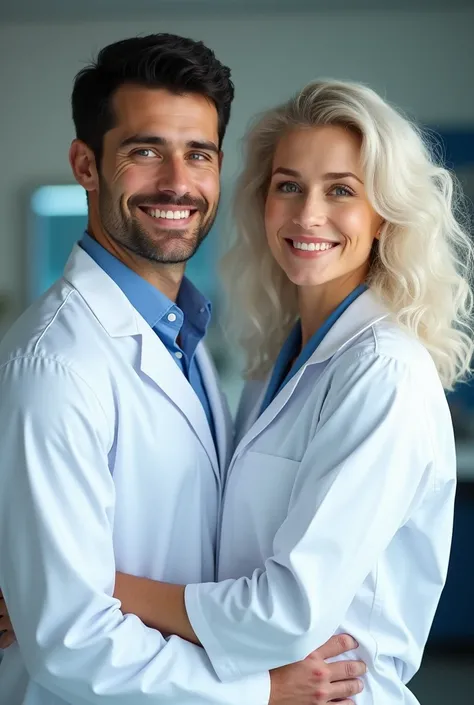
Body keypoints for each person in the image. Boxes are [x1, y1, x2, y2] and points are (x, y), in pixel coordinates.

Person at [0, 36, 364, 705]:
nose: (177, 181)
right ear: (86, 164)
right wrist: (261, 689)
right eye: (145, 151)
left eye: (197, 154)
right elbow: (68, 637)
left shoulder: (185, 336)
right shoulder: (57, 361)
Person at [101, 80, 473, 703]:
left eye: (342, 191)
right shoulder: (278, 358)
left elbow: (285, 614)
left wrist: (82, 590)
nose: (307, 215)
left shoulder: (384, 372)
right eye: (289, 186)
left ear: (385, 214)